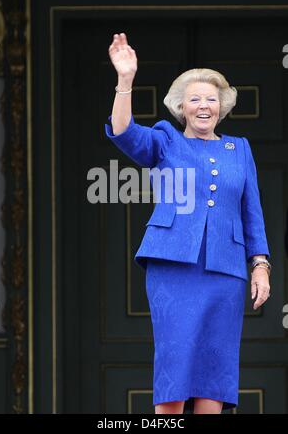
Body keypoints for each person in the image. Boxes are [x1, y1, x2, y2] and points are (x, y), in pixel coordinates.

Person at [105, 33, 271, 415]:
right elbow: (124, 133)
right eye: (194, 98)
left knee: (214, 373)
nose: (203, 106)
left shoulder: (239, 149)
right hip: (173, 268)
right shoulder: (165, 140)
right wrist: (125, 81)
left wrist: (260, 264)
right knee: (175, 372)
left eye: (211, 99)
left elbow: (253, 211)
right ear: (181, 106)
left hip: (225, 272)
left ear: (222, 107)